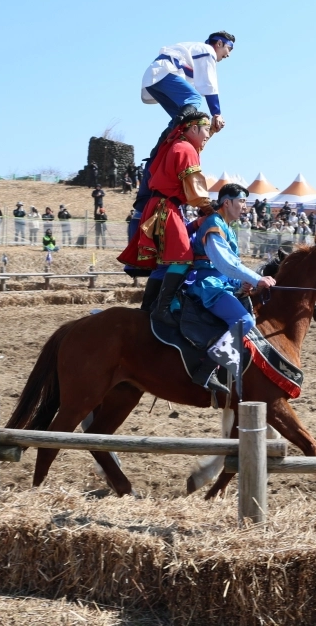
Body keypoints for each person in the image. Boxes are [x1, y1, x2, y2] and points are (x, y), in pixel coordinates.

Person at [130, 32, 235, 237]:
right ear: (220, 44)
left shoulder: (193, 55)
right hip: (163, 73)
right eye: (228, 49)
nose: (227, 55)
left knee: (182, 116)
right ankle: (174, 133)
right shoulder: (206, 51)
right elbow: (210, 86)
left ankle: (171, 135)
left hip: (158, 77)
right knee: (193, 101)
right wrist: (216, 113)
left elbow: (196, 124)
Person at [119, 110, 214, 326]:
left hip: (160, 205)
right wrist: (209, 209)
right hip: (167, 207)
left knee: (165, 263)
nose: (208, 134)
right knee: (183, 257)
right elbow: (195, 188)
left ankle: (148, 306)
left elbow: (200, 143)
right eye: (206, 129)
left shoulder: (176, 144)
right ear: (193, 128)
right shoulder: (185, 148)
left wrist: (214, 128)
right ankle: (161, 310)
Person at [183, 183, 276, 395]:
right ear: (227, 202)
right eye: (242, 201)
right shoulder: (214, 224)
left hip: (221, 283)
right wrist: (256, 279)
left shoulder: (227, 228)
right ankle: (206, 370)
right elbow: (225, 264)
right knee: (245, 321)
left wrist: (242, 283)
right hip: (208, 286)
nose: (245, 206)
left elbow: (227, 270)